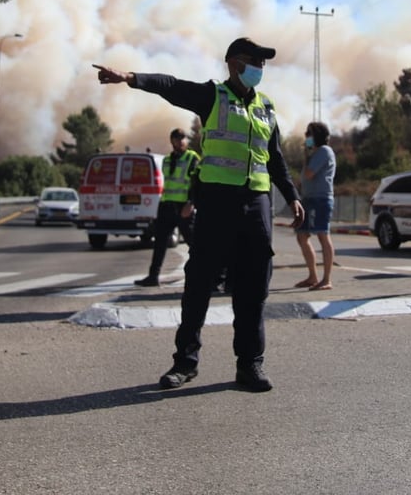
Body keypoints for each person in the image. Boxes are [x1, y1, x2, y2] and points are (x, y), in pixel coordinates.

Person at [94, 37, 306, 393]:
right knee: (199, 283)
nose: (260, 68)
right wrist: (129, 77)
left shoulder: (267, 107)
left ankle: (250, 365)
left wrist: (292, 195)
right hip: (218, 202)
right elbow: (171, 86)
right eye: (254, 61)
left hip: (257, 204)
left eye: (264, 63)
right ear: (234, 63)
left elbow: (275, 158)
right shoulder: (213, 97)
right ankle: (185, 363)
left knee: (253, 287)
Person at [135, 128, 200, 287]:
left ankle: (209, 275)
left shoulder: (192, 158)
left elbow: (197, 183)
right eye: (177, 138)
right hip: (166, 206)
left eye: (183, 138)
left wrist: (191, 203)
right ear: (172, 141)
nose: (181, 141)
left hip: (183, 207)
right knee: (160, 243)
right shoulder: (167, 160)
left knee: (195, 243)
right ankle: (153, 276)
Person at [295, 121, 336, 290]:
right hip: (309, 198)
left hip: (320, 198)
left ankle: (326, 279)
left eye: (309, 134)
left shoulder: (324, 152)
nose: (306, 137)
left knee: (322, 235)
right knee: (302, 235)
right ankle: (312, 276)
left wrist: (308, 156)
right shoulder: (315, 153)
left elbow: (309, 174)